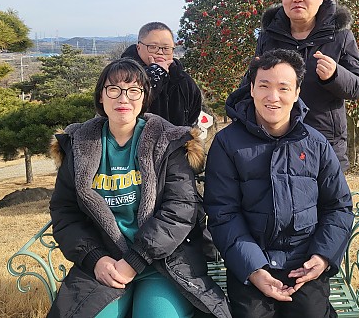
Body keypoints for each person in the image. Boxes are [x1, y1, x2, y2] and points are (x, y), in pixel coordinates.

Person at [47, 58, 231, 318]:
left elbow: (180, 209)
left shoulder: (168, 142)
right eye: (114, 89)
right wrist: (95, 258)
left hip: (163, 262)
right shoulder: (79, 145)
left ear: (144, 97)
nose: (123, 98)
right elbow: (65, 212)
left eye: (133, 90)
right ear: (101, 96)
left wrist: (136, 260)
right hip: (105, 263)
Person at [204, 49, 354, 318]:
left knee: (310, 313)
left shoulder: (316, 143)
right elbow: (222, 213)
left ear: (296, 93)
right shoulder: (227, 144)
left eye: (283, 88)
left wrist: (322, 257)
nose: (273, 97)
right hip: (251, 260)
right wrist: (253, 269)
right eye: (264, 86)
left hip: (304, 260)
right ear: (251, 89)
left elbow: (338, 206)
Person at [252, 0, 359, 171]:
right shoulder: (268, 37)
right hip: (275, 140)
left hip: (324, 142)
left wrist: (335, 75)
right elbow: (252, 84)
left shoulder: (340, 36)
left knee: (326, 193)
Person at [121, 22, 202, 126]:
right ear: (138, 47)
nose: (160, 52)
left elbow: (193, 115)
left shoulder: (183, 80)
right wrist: (155, 73)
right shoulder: (121, 75)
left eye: (166, 48)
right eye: (153, 47)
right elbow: (125, 103)